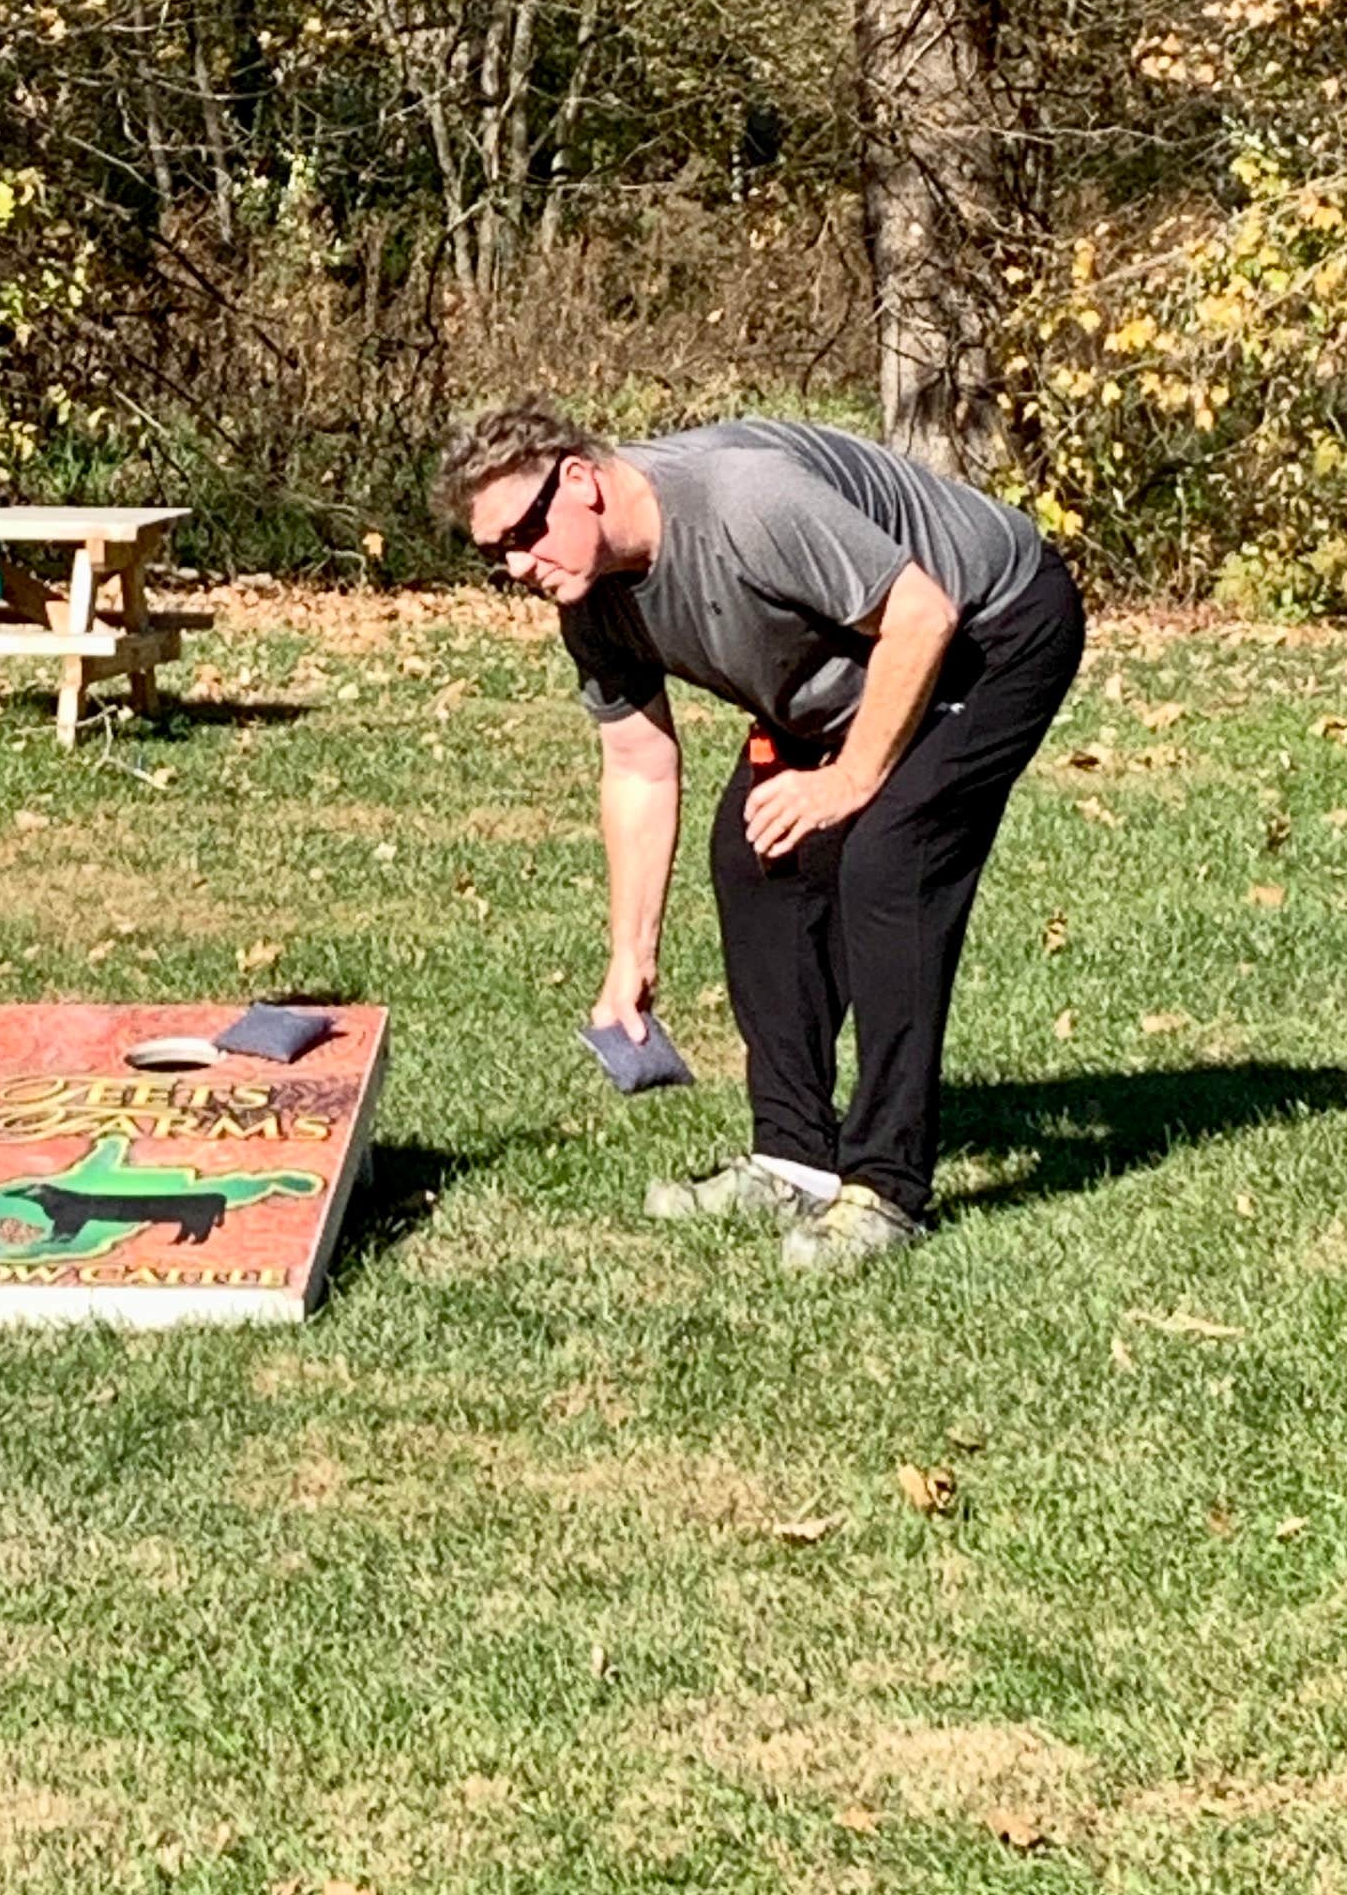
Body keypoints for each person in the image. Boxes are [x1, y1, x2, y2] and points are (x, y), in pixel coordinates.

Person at [435, 402, 1084, 1273]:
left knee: (892, 860)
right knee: (754, 857)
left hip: (988, 631)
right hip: (846, 673)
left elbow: (920, 616)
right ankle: (793, 1159)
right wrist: (631, 953)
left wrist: (849, 782)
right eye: (493, 553)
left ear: (580, 481)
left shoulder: (743, 503)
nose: (517, 564)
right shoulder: (591, 602)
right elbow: (638, 763)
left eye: (522, 532)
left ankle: (886, 1187)